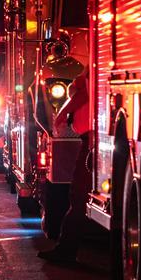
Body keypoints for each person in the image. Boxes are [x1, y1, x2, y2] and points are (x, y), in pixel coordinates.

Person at [37, 71, 92, 264]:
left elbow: (85, 93)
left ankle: (66, 251)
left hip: (92, 139)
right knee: (79, 196)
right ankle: (66, 248)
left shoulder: (93, 64)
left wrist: (61, 114)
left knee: (79, 196)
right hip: (90, 138)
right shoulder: (91, 64)